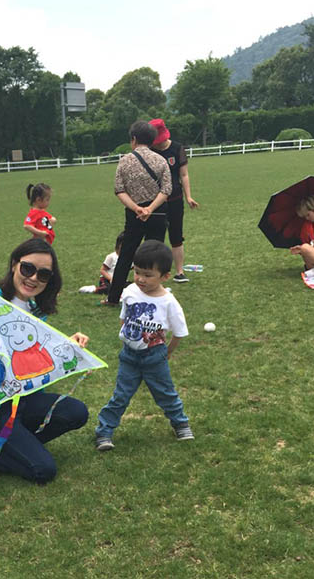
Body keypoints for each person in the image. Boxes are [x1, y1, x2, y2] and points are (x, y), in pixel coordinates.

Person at [0, 238, 90, 484]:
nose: (33, 278)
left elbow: (32, 350)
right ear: (14, 265)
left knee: (76, 412)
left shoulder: (36, 309)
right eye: (27, 268)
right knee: (43, 471)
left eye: (43, 274)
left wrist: (68, 344)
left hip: (23, 397)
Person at [94, 240, 193, 451]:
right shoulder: (130, 291)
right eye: (137, 272)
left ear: (165, 276)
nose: (140, 279)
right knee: (120, 395)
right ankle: (104, 431)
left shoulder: (169, 302)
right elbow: (124, 316)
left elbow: (179, 333)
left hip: (155, 356)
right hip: (129, 356)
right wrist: (127, 337)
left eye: (148, 275)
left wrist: (166, 353)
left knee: (165, 393)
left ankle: (180, 423)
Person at [105, 121, 172, 305]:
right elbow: (167, 190)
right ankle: (152, 295)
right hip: (157, 213)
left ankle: (113, 297)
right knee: (155, 256)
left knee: (126, 255)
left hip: (134, 214)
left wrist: (137, 208)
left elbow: (119, 190)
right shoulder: (160, 160)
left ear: (133, 139)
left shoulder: (125, 161)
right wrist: (150, 208)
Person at [149, 119, 200, 283]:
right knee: (156, 237)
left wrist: (188, 196)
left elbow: (184, 175)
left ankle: (179, 272)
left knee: (176, 236)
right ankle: (154, 272)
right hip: (155, 201)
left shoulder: (177, 148)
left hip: (175, 199)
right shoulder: (150, 151)